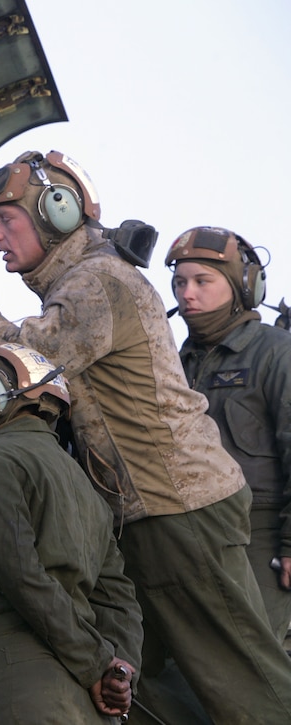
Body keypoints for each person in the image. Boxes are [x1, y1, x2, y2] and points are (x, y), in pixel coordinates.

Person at [0, 150, 291, 722]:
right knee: (153, 691)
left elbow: (33, 357)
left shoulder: (99, 281)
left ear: (57, 213)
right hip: (149, 512)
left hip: (178, 508)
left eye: (6, 218)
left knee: (244, 685)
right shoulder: (80, 283)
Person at [0, 340, 141, 723]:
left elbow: (20, 576)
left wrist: (95, 661)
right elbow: (119, 597)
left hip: (21, 685)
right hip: (88, 701)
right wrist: (119, 671)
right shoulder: (83, 483)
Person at [166, 226, 291, 643]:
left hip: (262, 531)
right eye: (180, 282)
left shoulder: (277, 352)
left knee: (261, 659)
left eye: (203, 281)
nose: (188, 294)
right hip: (190, 533)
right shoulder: (170, 363)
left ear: (243, 286)